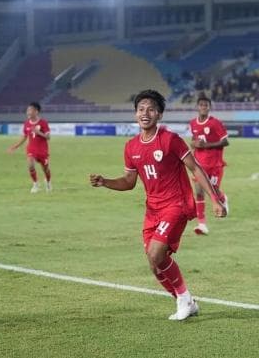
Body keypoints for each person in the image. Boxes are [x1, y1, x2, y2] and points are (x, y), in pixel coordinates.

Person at [89, 89, 226, 321]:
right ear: (135, 114)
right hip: (153, 210)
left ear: (159, 115)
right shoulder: (131, 147)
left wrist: (215, 199)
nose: (145, 113)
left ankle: (183, 299)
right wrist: (106, 182)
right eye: (141, 109)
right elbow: (129, 182)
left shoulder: (170, 140)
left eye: (151, 109)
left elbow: (195, 168)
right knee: (154, 264)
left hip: (177, 205)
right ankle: (187, 302)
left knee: (156, 253)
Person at [188, 94, 230, 235]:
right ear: (198, 107)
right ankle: (202, 224)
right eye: (201, 105)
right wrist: (195, 144)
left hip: (214, 163)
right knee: (199, 192)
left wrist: (207, 145)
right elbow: (193, 141)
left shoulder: (215, 123)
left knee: (214, 190)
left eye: (206, 105)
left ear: (209, 107)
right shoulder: (193, 123)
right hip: (199, 164)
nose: (203, 107)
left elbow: (225, 141)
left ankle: (223, 199)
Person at [7, 101, 52, 193]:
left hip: (42, 150)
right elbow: (24, 137)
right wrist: (15, 146)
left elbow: (48, 137)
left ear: (36, 111)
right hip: (32, 149)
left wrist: (38, 132)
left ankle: (48, 182)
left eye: (30, 110)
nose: (28, 112)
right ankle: (35, 184)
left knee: (46, 169)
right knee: (30, 165)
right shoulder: (27, 123)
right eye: (27, 110)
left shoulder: (43, 123)